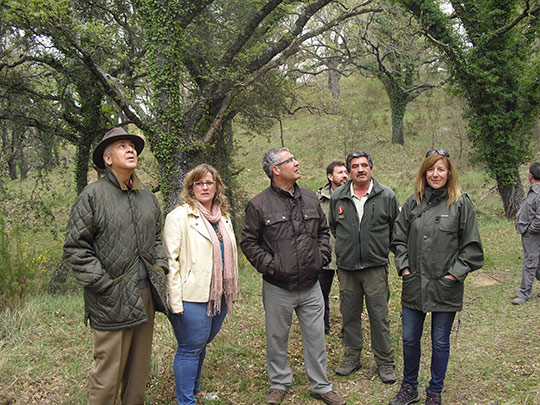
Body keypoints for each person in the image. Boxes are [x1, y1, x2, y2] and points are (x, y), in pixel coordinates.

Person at [64, 127, 169, 404]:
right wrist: (104, 285)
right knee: (107, 377)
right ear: (108, 159)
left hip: (146, 295)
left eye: (132, 145)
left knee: (138, 375)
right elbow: (76, 248)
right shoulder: (93, 195)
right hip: (111, 299)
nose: (131, 149)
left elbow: (157, 238)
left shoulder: (147, 197)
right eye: (122, 146)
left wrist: (160, 268)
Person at [240, 147, 346, 405]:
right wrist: (272, 265)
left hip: (311, 285)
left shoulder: (310, 198)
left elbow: (323, 231)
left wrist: (321, 257)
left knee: (316, 336)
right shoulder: (258, 205)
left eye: (295, 158)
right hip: (278, 286)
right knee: (276, 337)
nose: (297, 163)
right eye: (290, 161)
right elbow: (248, 242)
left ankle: (320, 386)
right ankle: (278, 383)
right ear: (276, 170)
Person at [389, 149, 483, 405]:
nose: (435, 174)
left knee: (440, 341)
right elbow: (398, 239)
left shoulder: (461, 204)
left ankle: (435, 391)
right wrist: (405, 268)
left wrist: (453, 276)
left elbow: (472, 249)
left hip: (445, 286)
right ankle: (409, 387)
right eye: (430, 169)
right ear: (424, 172)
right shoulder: (413, 202)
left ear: (449, 172)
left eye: (441, 169)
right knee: (409, 339)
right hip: (414, 283)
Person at [162, 164, 238, 405]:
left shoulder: (222, 217)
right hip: (191, 296)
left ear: (217, 187)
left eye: (209, 183)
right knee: (190, 347)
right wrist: (174, 300)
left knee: (201, 343)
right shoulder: (179, 216)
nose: (205, 187)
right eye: (199, 183)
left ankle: (195, 390)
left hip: (218, 295)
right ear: (190, 188)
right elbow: (170, 262)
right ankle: (185, 401)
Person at [328, 150, 398, 384]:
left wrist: (379, 249)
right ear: (348, 171)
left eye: (365, 165)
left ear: (371, 168)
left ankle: (385, 362)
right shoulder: (338, 196)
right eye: (355, 166)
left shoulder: (386, 195)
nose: (361, 169)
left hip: (375, 267)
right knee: (349, 315)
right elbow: (334, 228)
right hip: (347, 269)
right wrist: (349, 250)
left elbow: (394, 229)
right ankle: (351, 357)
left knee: (379, 316)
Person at [317, 161, 348, 334]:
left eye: (345, 172)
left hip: (347, 255)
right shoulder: (319, 199)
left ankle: (348, 329)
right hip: (324, 255)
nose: (345, 175)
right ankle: (322, 328)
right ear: (330, 177)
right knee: (321, 295)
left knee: (348, 296)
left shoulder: (352, 195)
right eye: (340, 172)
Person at [512, 162, 540, 305]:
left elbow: (539, 219)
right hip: (529, 233)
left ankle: (523, 294)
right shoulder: (533, 190)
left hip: (533, 236)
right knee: (537, 263)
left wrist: (529, 229)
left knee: (530, 263)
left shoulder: (538, 192)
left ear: (530, 175)